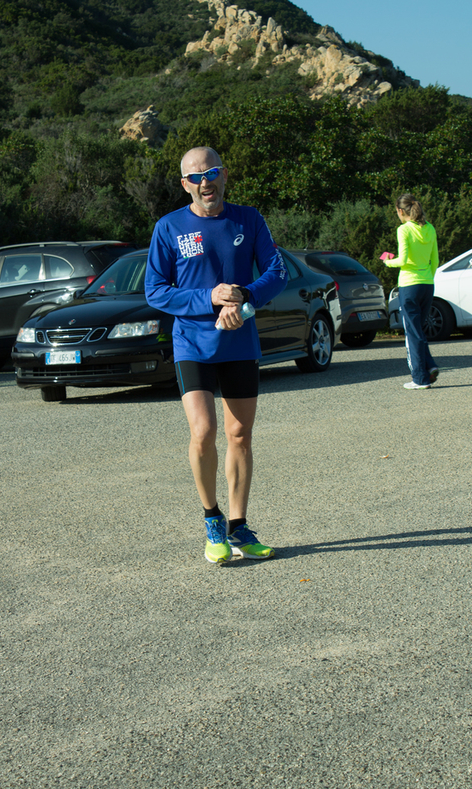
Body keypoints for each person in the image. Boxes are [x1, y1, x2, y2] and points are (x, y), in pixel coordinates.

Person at [145, 146, 288, 564]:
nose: (205, 182)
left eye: (213, 173)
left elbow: (276, 272)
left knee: (240, 435)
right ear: (184, 184)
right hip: (192, 342)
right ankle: (212, 519)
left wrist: (243, 301)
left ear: (225, 175)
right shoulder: (169, 227)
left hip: (240, 341)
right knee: (203, 431)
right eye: (195, 177)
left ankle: (238, 526)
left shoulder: (250, 218)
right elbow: (156, 290)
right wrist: (208, 298)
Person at [383, 193, 440, 389]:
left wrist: (387, 262)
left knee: (412, 333)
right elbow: (436, 260)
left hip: (409, 285)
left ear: (400, 211)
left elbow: (403, 260)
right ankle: (429, 366)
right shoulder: (430, 228)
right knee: (418, 331)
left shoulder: (403, 230)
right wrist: (427, 278)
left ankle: (419, 379)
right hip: (427, 284)